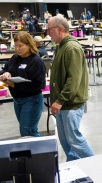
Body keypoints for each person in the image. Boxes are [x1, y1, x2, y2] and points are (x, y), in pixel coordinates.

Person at [47, 16, 94, 161]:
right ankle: (73, 166)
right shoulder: (61, 46)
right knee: (65, 140)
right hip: (63, 103)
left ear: (59, 29)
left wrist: (60, 100)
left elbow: (73, 79)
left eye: (49, 30)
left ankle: (97, 164)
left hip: (70, 103)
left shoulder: (71, 48)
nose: (48, 33)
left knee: (74, 139)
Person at [0, 32, 46, 137]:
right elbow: (4, 70)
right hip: (17, 99)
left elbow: (38, 84)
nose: (17, 49)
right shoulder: (15, 58)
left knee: (28, 131)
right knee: (26, 130)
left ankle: (37, 152)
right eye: (16, 46)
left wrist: (14, 85)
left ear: (29, 45)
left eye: (20, 46)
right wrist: (5, 74)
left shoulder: (36, 61)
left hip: (32, 100)